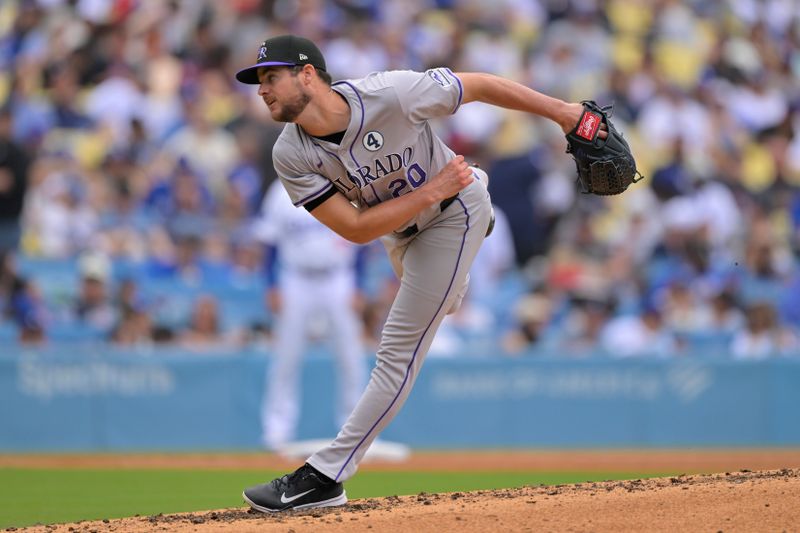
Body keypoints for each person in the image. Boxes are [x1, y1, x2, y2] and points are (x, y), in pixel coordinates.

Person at [235, 34, 593, 512]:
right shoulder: (290, 154)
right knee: (436, 294)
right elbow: (357, 229)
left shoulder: (391, 93)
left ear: (307, 74)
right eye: (259, 80)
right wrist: (429, 191)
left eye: (271, 77)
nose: (262, 89)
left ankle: (327, 475)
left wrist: (565, 113)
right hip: (401, 231)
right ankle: (456, 267)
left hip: (454, 210)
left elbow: (480, 85)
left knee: (396, 353)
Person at [254, 179, 367, 451]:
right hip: (296, 278)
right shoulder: (280, 190)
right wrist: (271, 284)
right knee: (286, 356)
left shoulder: (344, 181)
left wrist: (359, 284)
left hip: (338, 277)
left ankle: (356, 430)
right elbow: (269, 244)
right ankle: (276, 431)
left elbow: (363, 234)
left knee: (350, 356)